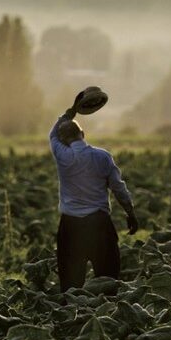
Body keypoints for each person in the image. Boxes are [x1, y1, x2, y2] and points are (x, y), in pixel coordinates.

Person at [50, 88, 138, 292]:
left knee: (71, 288)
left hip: (71, 227)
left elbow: (53, 134)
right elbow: (119, 188)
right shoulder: (103, 157)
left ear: (64, 140)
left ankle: (72, 322)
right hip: (98, 225)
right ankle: (106, 323)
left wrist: (70, 112)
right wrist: (130, 213)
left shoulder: (62, 156)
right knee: (108, 284)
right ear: (83, 134)